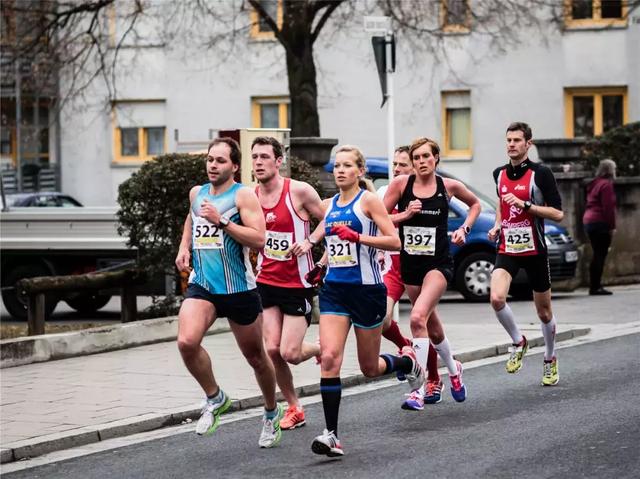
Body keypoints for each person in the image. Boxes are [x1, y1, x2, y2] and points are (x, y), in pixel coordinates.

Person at [311, 145, 425, 458]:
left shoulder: (369, 201)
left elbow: (395, 241)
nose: (340, 171)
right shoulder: (329, 205)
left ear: (360, 171)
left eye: (348, 165)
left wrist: (358, 237)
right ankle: (331, 435)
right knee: (331, 358)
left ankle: (407, 362)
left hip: (366, 291)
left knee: (369, 368)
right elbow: (332, 244)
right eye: (337, 166)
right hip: (334, 291)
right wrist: (320, 265)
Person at [174, 137, 282, 448]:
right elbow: (191, 219)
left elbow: (259, 239)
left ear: (234, 166)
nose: (212, 165)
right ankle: (215, 397)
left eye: (220, 161)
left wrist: (221, 221)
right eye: (210, 159)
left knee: (256, 358)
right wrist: (184, 247)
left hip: (238, 289)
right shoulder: (198, 193)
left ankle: (271, 412)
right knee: (186, 342)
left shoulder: (243, 196)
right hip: (203, 284)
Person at [383, 137, 481, 411]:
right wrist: (404, 215)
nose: (422, 162)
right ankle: (453, 368)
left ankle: (418, 388)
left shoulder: (447, 186)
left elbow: (475, 205)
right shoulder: (401, 185)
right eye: (417, 158)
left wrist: (465, 229)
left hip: (438, 264)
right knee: (431, 325)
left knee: (416, 318)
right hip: (410, 264)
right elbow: (378, 216)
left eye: (427, 156)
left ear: (436, 158)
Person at [251, 136, 323, 430]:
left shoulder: (299, 192)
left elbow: (332, 220)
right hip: (265, 281)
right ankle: (294, 407)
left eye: (264, 157)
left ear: (278, 161)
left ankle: (318, 348)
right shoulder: (250, 196)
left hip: (297, 284)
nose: (258, 162)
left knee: (290, 353)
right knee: (271, 350)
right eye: (254, 157)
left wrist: (310, 241)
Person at [488, 122, 564, 386]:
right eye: (508, 140)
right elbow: (501, 206)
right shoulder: (498, 174)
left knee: (544, 312)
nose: (511, 144)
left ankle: (550, 357)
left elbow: (557, 213)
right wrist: (497, 225)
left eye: (517, 140)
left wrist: (527, 205)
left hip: (535, 251)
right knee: (497, 298)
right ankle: (518, 341)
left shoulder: (540, 174)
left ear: (528, 144)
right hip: (508, 247)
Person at [377, 146, 444, 405]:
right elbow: (375, 221)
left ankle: (437, 376)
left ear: (415, 169)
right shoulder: (386, 192)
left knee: (428, 327)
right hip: (395, 268)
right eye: (394, 164)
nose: (395, 170)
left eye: (402, 165)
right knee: (382, 319)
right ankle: (408, 349)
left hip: (422, 268)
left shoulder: (426, 190)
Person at [583, 159, 617, 296]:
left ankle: (594, 285)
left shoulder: (594, 183)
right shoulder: (606, 185)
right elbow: (608, 208)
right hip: (600, 221)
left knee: (597, 253)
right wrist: (612, 226)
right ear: (610, 170)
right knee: (600, 254)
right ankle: (596, 286)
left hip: (589, 220)